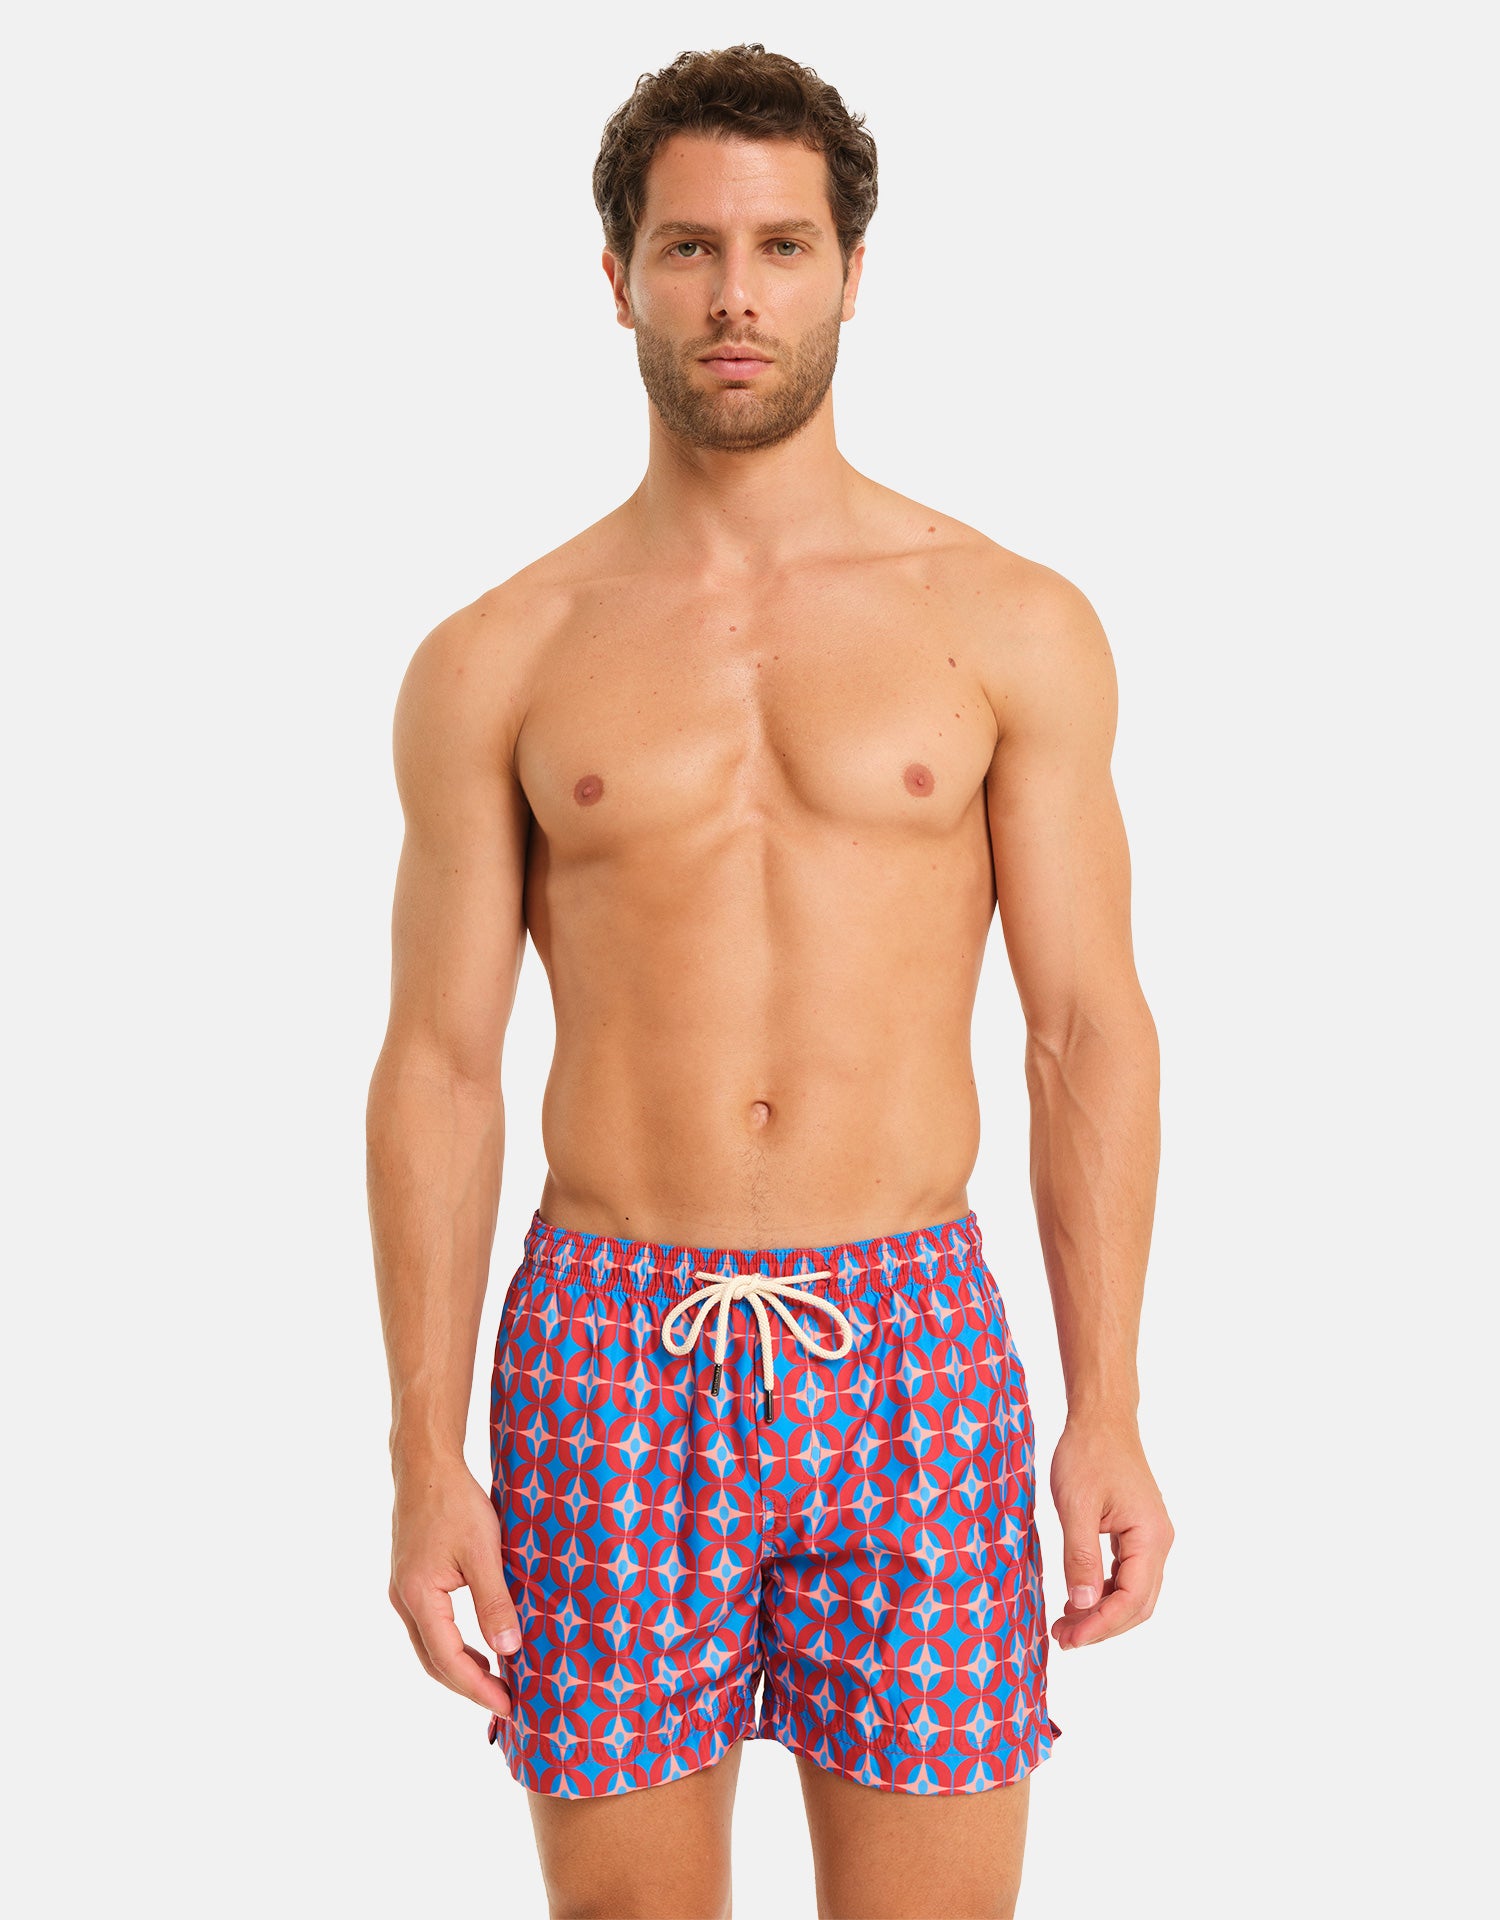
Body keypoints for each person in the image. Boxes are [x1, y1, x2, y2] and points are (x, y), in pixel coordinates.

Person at [366, 42, 1171, 1920]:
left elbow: (1082, 1028)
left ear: (851, 272)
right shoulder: (498, 655)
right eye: (691, 248)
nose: (738, 295)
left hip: (910, 1346)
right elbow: (439, 1065)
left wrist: (1110, 1402)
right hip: (603, 1347)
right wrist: (420, 1457)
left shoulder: (1006, 620)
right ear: (619, 276)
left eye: (783, 247)